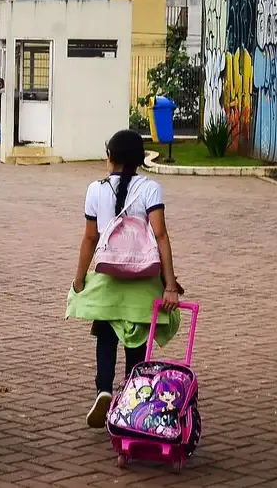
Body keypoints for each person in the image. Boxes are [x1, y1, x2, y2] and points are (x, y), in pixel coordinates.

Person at [66, 129, 184, 428]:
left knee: (105, 333)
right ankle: (133, 397)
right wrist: (169, 285)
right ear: (140, 159)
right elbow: (160, 235)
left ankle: (103, 388)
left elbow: (90, 237)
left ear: (111, 157)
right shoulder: (151, 189)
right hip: (143, 280)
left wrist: (79, 279)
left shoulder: (95, 189)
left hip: (109, 276)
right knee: (138, 342)